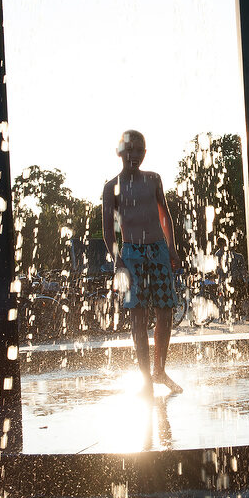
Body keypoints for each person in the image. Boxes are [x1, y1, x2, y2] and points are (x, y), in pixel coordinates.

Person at [102, 130, 183, 396]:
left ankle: (160, 369)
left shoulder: (153, 180)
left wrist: (172, 248)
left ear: (144, 154)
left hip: (158, 250)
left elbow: (165, 216)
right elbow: (107, 230)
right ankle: (145, 378)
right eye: (129, 149)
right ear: (119, 152)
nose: (134, 155)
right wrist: (118, 261)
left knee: (165, 311)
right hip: (131, 254)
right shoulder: (111, 187)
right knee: (138, 316)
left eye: (139, 150)